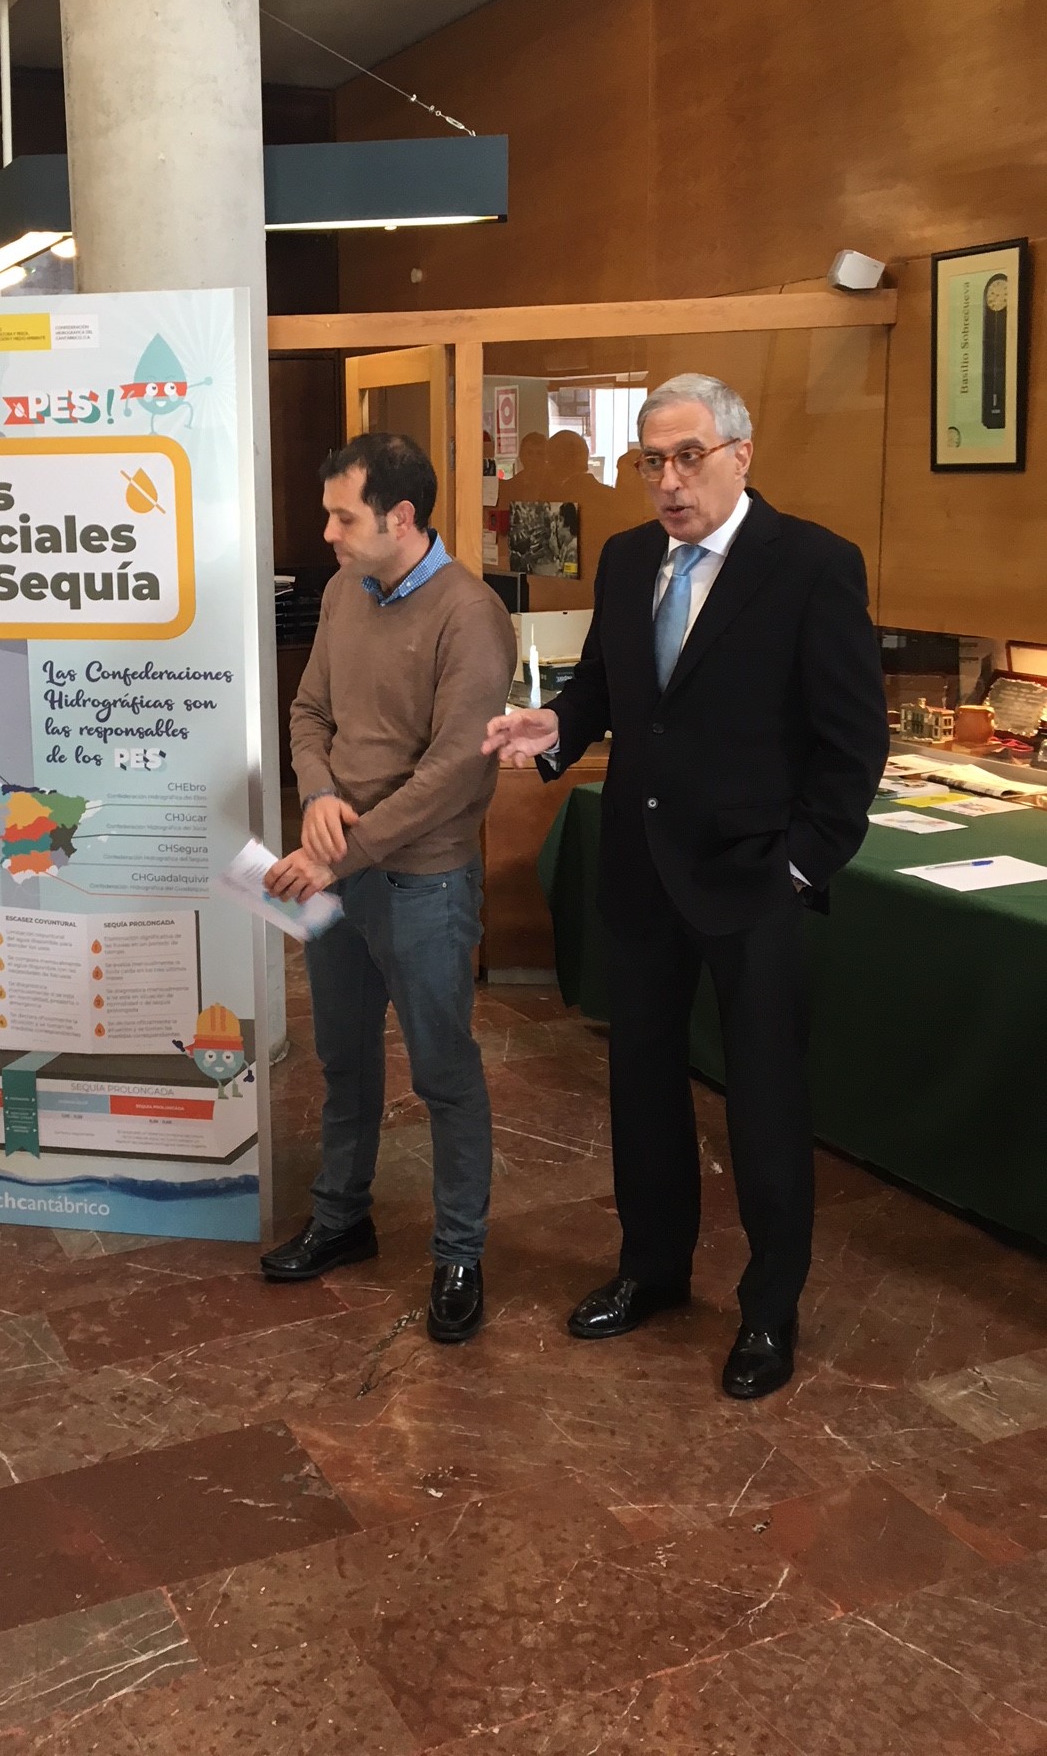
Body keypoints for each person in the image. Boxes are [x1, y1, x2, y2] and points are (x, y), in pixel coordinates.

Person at [484, 374, 888, 1398]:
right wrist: (556, 726)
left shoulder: (813, 566)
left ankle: (769, 1309)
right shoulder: (628, 559)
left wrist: (797, 866)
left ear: (741, 454)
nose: (669, 481)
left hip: (754, 880)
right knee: (642, 1087)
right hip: (641, 867)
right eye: (652, 461)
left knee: (764, 1102)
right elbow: (608, 688)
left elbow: (853, 747)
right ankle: (653, 1269)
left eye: (689, 457)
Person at [263, 431, 516, 1344]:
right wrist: (318, 793)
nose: (328, 534)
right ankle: (342, 1218)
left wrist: (344, 851)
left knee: (443, 1072)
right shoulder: (343, 592)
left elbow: (454, 774)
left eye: (343, 518)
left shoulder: (471, 615)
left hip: (421, 883)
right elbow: (308, 713)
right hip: (341, 871)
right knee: (343, 1058)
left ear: (400, 517)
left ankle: (459, 1252)